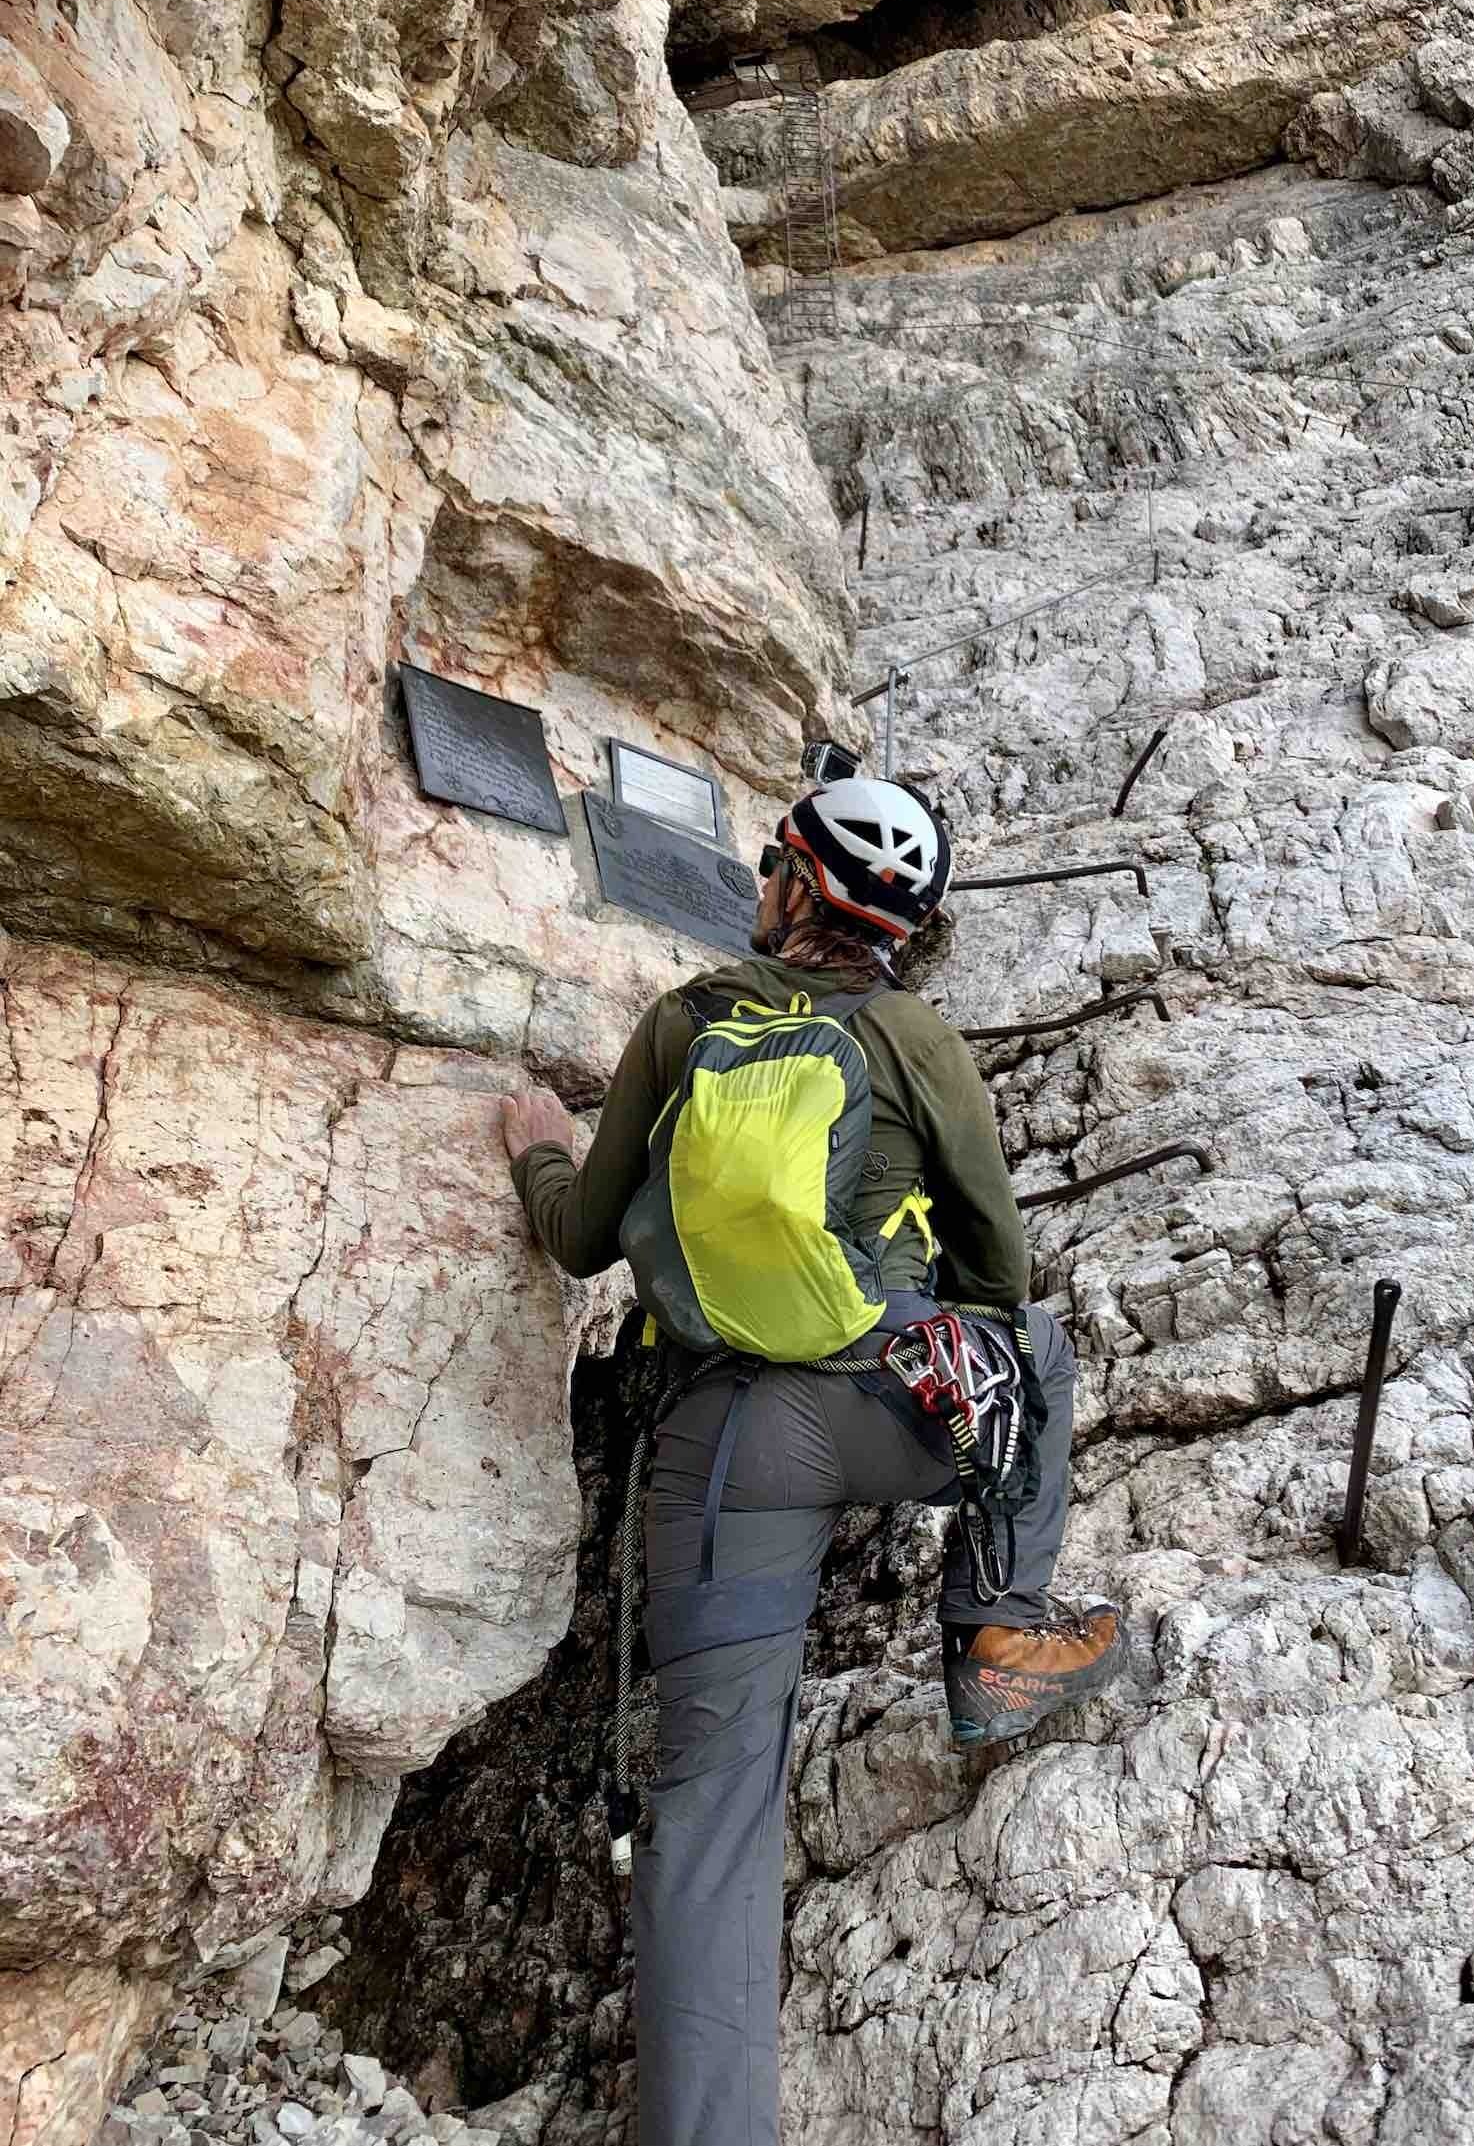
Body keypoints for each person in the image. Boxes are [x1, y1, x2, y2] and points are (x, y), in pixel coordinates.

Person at [499, 775, 1123, 2146]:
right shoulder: (914, 1037)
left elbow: (584, 1236)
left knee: (710, 1811)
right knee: (1034, 1346)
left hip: (721, 1453)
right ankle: (996, 1632)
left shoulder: (686, 1023)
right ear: (904, 927)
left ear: (791, 882)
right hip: (891, 1407)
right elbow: (1001, 1271)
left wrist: (540, 1152)